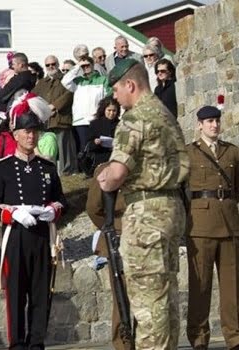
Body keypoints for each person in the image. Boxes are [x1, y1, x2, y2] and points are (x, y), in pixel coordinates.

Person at [97, 59, 189, 349]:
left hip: (146, 213)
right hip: (172, 209)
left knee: (148, 304)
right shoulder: (165, 113)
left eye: (116, 89)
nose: (115, 97)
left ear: (130, 85)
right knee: (165, 299)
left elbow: (116, 175)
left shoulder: (134, 118)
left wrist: (103, 176)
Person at [0, 93, 65, 350]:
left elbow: (62, 200)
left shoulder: (47, 168)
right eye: (26, 132)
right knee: (16, 295)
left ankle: (36, 342)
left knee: (42, 294)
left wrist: (53, 211)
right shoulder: (2, 168)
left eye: (35, 132)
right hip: (17, 236)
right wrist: (12, 213)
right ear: (15, 134)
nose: (31, 136)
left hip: (42, 236)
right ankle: (17, 344)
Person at [185, 105, 239, 350]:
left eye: (216, 120)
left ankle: (235, 337)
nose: (214, 125)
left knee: (233, 287)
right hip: (200, 227)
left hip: (229, 225)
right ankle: (198, 338)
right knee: (200, 286)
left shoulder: (233, 152)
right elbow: (180, 191)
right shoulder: (188, 154)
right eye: (208, 121)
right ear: (199, 125)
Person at [85, 163, 131, 350]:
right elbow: (93, 208)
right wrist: (111, 227)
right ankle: (123, 343)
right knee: (122, 295)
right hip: (118, 238)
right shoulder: (107, 169)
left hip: (145, 237)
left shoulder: (145, 167)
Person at [61, 55, 112, 159]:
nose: (85, 68)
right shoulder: (77, 81)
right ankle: (85, 170)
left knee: (98, 145)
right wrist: (77, 67)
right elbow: (64, 81)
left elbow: (108, 97)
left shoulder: (103, 80)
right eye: (83, 66)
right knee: (83, 147)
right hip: (81, 120)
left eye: (87, 65)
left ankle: (98, 167)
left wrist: (101, 113)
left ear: (93, 65)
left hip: (96, 119)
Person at [32, 55, 75, 174]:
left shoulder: (65, 79)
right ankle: (51, 173)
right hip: (45, 122)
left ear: (58, 64)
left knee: (63, 150)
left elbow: (69, 94)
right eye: (48, 65)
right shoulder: (41, 83)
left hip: (61, 119)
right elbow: (33, 97)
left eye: (53, 64)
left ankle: (65, 173)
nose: (51, 66)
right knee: (50, 150)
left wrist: (54, 106)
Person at [84, 97, 120, 175]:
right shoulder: (95, 124)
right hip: (99, 158)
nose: (111, 113)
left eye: (114, 111)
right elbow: (88, 144)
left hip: (115, 158)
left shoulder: (121, 124)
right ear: (104, 110)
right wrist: (95, 142)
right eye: (109, 110)